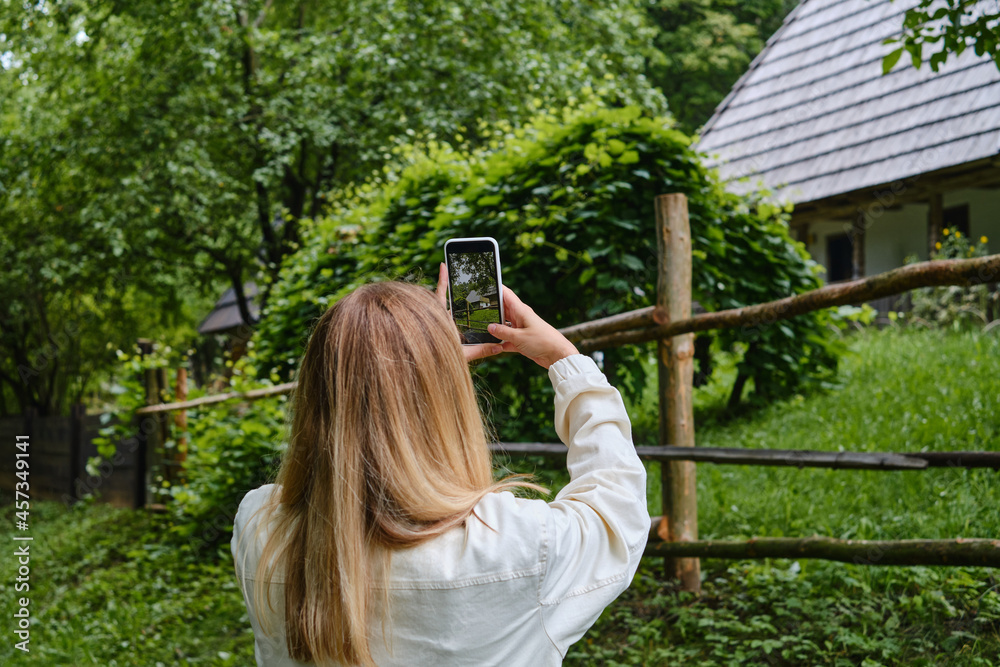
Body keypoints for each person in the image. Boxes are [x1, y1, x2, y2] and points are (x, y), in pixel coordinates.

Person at [231, 266, 650, 666]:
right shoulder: (516, 548)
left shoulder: (260, 531)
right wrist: (565, 359)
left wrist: (421, 365)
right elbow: (617, 510)